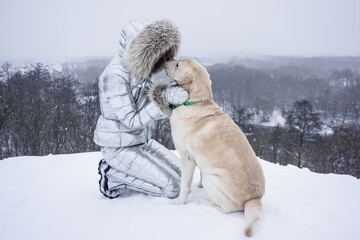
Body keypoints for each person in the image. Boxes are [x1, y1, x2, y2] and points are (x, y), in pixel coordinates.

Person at [94, 19, 188, 199]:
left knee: (184, 176)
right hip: (118, 147)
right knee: (173, 189)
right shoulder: (114, 76)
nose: (157, 59)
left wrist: (175, 103)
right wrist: (163, 98)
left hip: (142, 142)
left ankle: (123, 174)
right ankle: (112, 176)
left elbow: (150, 109)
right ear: (138, 51)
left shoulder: (142, 73)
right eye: (152, 53)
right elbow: (131, 121)